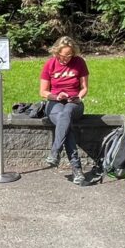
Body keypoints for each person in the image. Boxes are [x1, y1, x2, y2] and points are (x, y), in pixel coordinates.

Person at [39, 36, 89, 185]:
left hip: (74, 103)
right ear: (56, 52)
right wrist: (56, 96)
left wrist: (79, 97)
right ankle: (77, 170)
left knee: (66, 114)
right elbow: (43, 91)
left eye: (70, 55)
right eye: (63, 55)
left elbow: (84, 88)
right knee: (64, 120)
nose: (66, 58)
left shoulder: (79, 62)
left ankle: (55, 152)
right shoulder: (50, 64)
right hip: (55, 102)